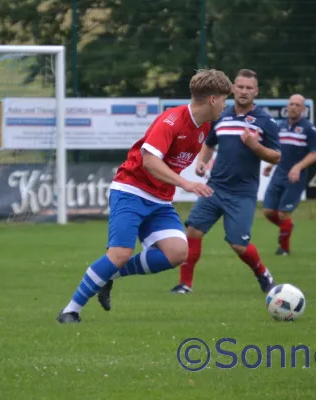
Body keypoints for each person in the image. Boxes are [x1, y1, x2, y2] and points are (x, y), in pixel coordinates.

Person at [56, 69, 233, 323]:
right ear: (213, 99)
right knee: (119, 254)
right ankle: (70, 311)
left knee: (177, 252)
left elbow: (192, 151)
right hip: (131, 190)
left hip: (159, 200)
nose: (226, 104)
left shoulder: (205, 126)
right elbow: (150, 162)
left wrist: (202, 164)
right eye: (225, 99)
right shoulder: (171, 120)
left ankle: (108, 276)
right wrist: (186, 183)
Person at [171, 69, 281, 295]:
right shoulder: (221, 116)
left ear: (256, 91)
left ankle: (262, 273)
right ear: (232, 89)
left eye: (249, 88)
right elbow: (209, 143)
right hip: (215, 187)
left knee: (238, 244)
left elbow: (276, 156)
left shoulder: (265, 121)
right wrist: (202, 161)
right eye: (240, 87)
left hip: (242, 193)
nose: (243, 91)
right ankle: (185, 285)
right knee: (193, 231)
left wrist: (254, 145)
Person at [262, 94, 316, 255]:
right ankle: (287, 226)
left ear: (303, 109)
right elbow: (280, 151)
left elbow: (315, 154)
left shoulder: (309, 128)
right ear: (287, 107)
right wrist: (270, 164)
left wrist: (298, 167)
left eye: (297, 105)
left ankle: (284, 249)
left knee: (283, 213)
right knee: (267, 211)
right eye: (291, 104)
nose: (293, 107)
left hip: (295, 177)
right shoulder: (281, 126)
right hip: (278, 173)